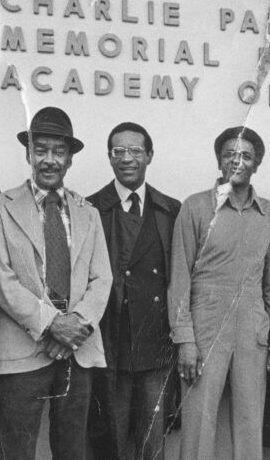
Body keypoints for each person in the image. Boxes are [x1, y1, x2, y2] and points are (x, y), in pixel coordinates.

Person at [0, 106, 112, 459]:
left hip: (77, 351)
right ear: (28, 154)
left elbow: (102, 278)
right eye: (41, 150)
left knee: (72, 450)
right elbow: (0, 279)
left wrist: (75, 326)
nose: (49, 160)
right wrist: (55, 325)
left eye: (58, 152)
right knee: (16, 451)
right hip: (22, 351)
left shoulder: (88, 212)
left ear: (70, 159)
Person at [169, 126, 270, 460]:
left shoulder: (267, 212)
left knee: (251, 421)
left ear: (256, 164)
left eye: (246, 156)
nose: (237, 162)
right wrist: (185, 340)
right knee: (198, 421)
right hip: (205, 326)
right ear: (219, 161)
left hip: (252, 326)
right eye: (229, 155)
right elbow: (179, 279)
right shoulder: (194, 207)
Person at [86, 122, 181, 460]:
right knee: (108, 438)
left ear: (149, 156)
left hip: (156, 345)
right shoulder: (90, 208)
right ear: (109, 157)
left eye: (135, 151)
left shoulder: (171, 210)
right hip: (109, 341)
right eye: (119, 151)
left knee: (153, 441)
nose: (127, 158)